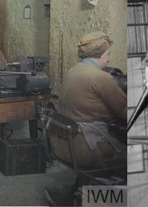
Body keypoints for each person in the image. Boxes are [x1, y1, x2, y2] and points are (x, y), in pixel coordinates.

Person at [53, 32, 126, 168]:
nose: (109, 59)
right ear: (101, 55)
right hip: (87, 149)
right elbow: (125, 112)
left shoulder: (72, 71)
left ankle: (84, 184)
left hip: (64, 144)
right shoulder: (101, 78)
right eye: (108, 54)